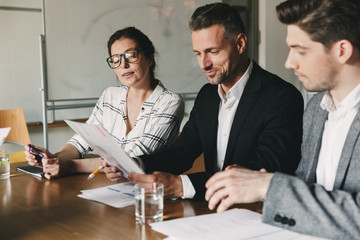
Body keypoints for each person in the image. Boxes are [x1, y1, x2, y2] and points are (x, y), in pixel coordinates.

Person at [205, 0, 360, 239]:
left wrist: (267, 186)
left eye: (301, 50)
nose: (289, 62)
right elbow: (305, 188)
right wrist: (257, 184)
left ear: (342, 50)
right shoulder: (316, 110)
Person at [125, 3, 304, 199]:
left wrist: (180, 186)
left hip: (255, 214)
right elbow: (181, 153)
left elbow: (263, 171)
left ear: (240, 44)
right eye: (198, 53)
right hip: (210, 211)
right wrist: (134, 164)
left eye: (213, 51)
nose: (204, 64)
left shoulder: (282, 97)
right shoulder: (207, 96)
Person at [25, 27, 184, 180]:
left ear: (150, 58)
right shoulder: (110, 95)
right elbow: (81, 141)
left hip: (148, 192)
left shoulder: (170, 102)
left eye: (131, 55)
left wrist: (71, 166)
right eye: (116, 59)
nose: (123, 65)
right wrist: (53, 159)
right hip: (107, 185)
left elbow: (129, 160)